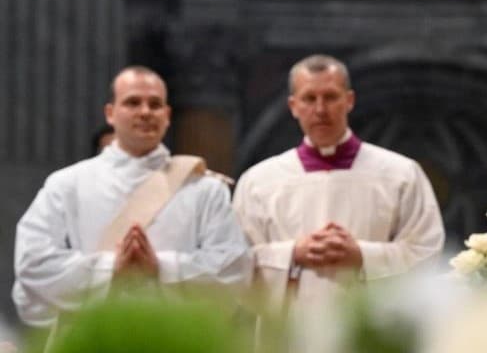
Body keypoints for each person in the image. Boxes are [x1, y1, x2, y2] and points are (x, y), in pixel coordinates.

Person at [13, 66, 251, 327]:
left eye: (155, 104)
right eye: (133, 102)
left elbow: (233, 269)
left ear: (167, 115)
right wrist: (110, 267)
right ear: (111, 113)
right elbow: (33, 262)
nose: (146, 112)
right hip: (95, 333)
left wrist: (161, 267)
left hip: (176, 334)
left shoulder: (205, 189)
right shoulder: (67, 184)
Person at [232, 55, 445, 312]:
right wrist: (293, 254)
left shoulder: (401, 173)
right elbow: (233, 265)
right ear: (293, 105)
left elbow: (427, 254)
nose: (320, 109)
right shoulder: (258, 181)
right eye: (309, 98)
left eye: (331, 97)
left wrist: (362, 256)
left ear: (349, 100)